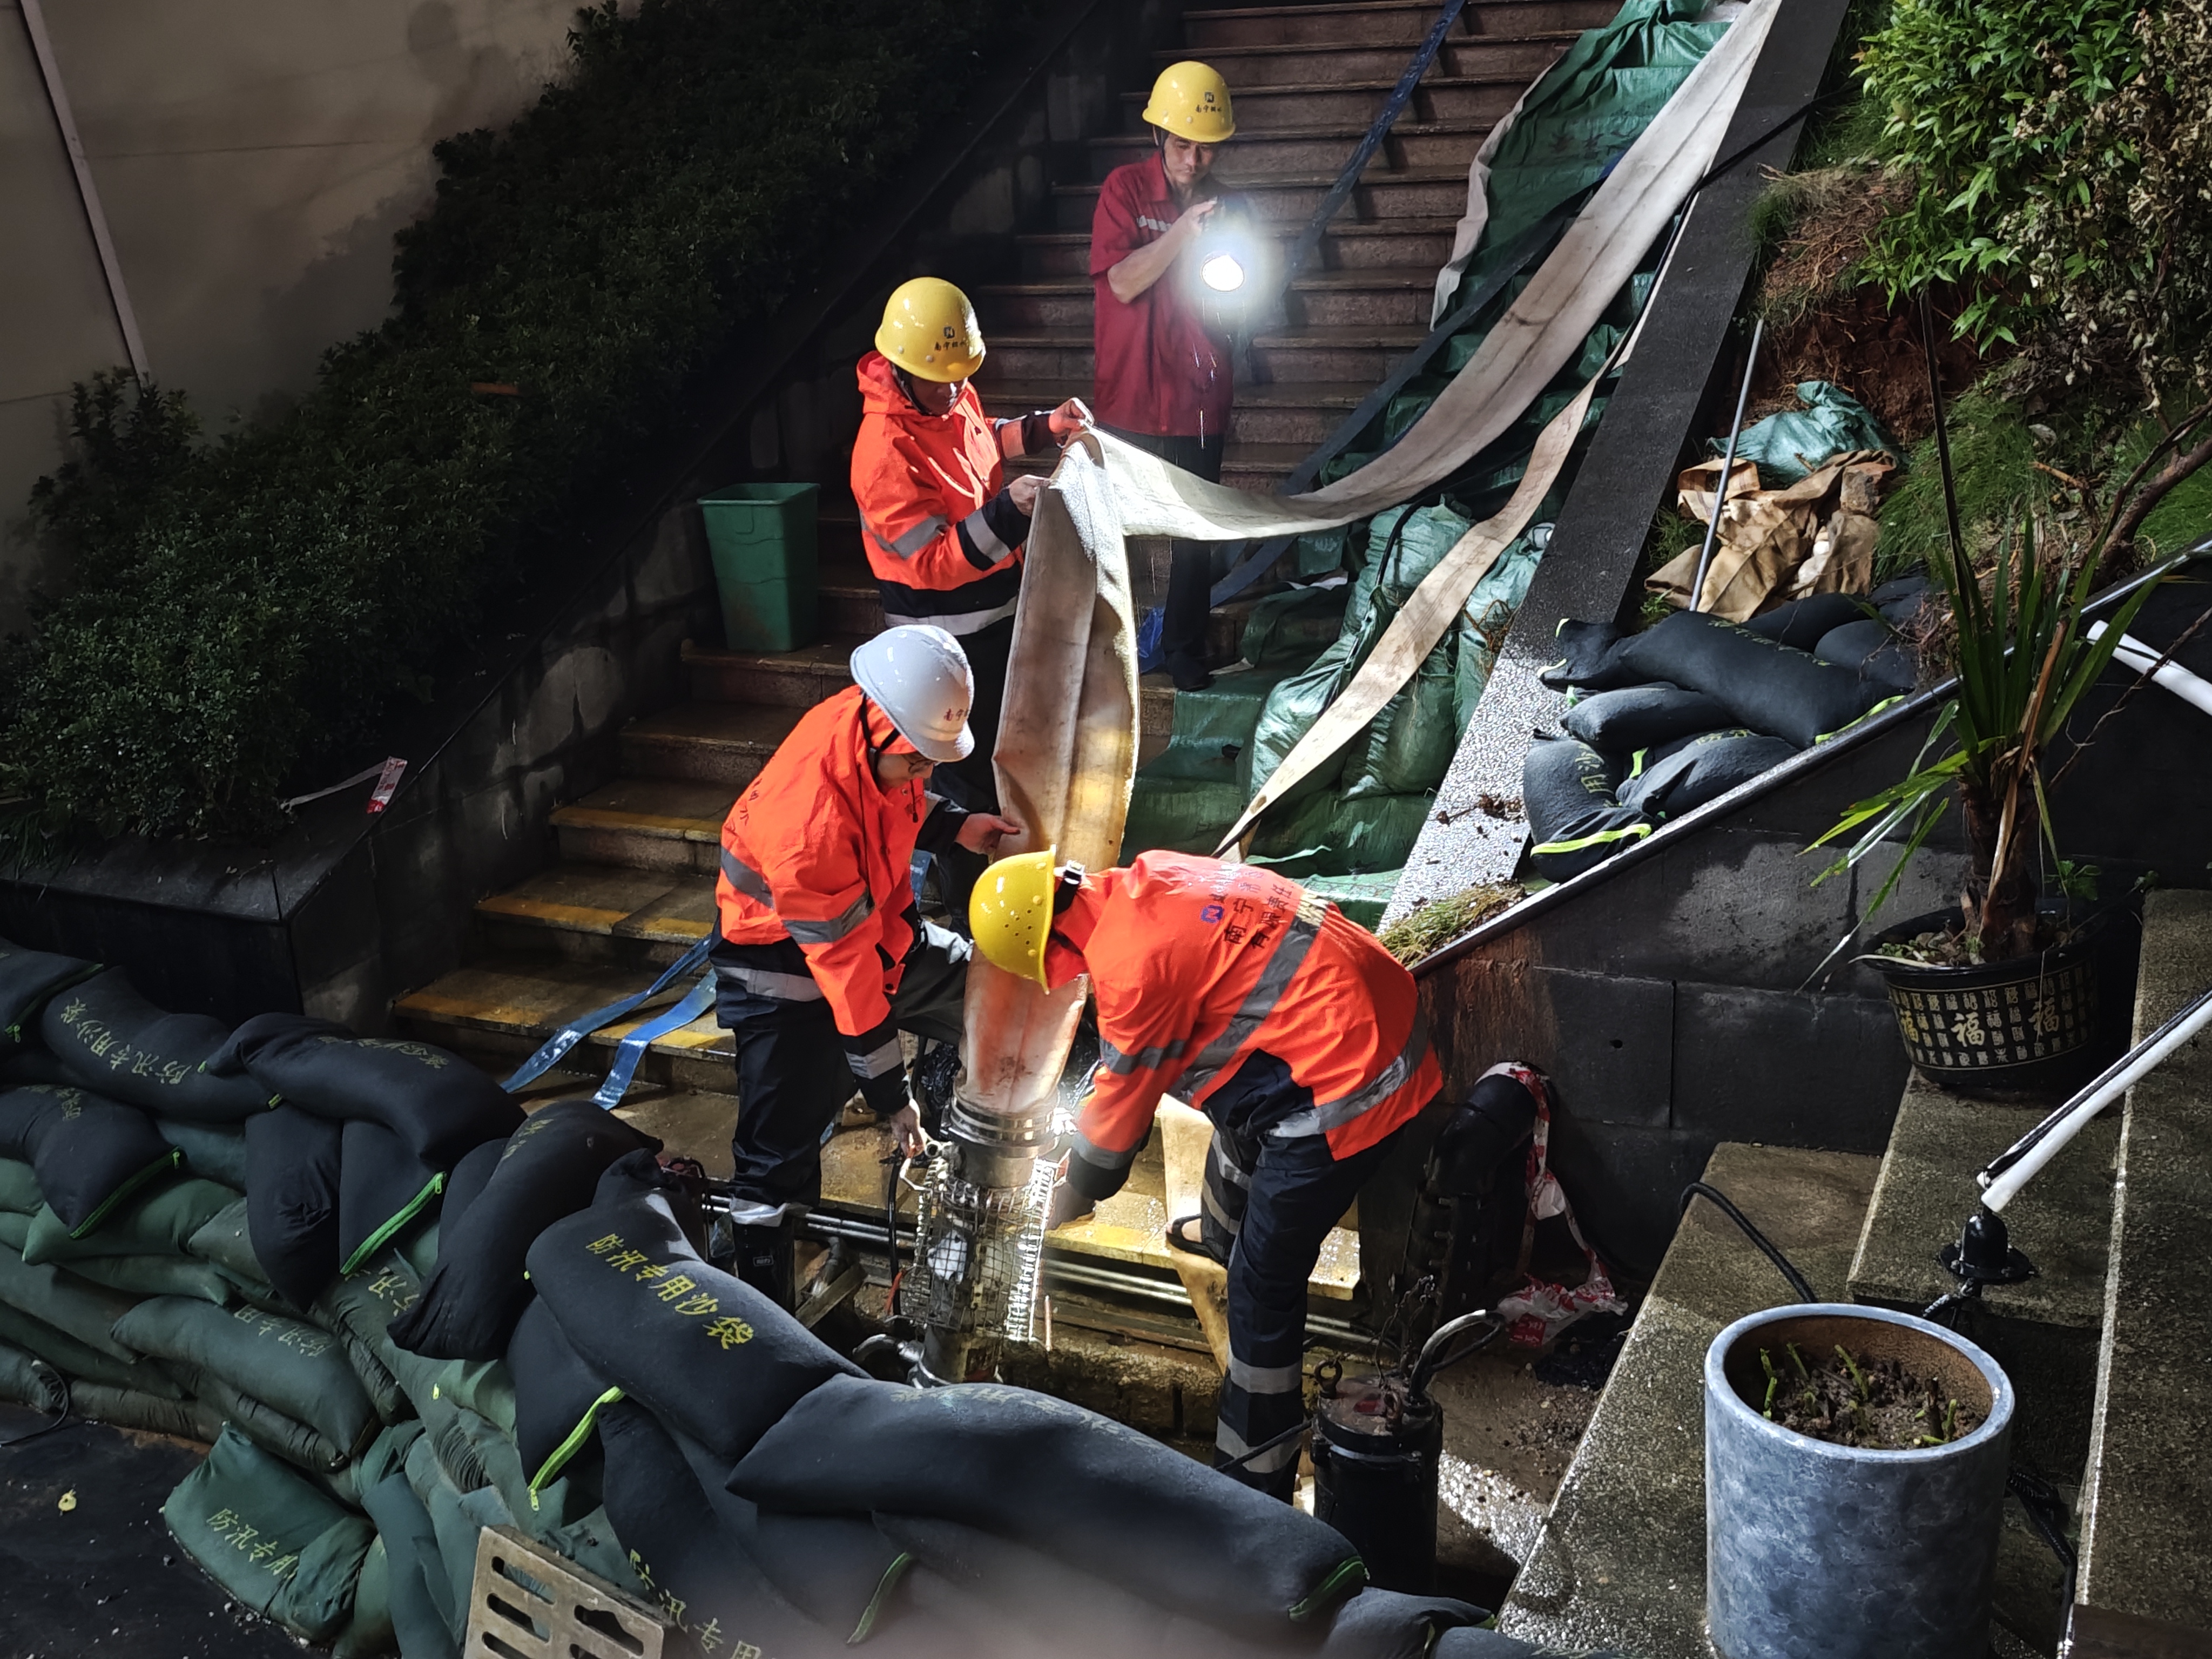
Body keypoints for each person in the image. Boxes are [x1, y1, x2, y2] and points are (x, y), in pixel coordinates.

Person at [968, 847, 1439, 1499]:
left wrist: (1072, 1192)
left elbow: (1118, 1116)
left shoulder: (1131, 973)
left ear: (1047, 952)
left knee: (1261, 1286)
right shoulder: (1150, 877)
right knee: (1229, 1119)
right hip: (1375, 1015)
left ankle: (1253, 1475)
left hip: (1351, 1085)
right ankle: (1221, 1238)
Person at [711, 625, 1021, 1304]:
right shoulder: (810, 827)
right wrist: (891, 1099)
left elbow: (892, 800)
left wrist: (954, 826)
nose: (926, 774)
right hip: (780, 967)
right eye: (919, 763)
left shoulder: (869, 719)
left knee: (994, 996)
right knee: (777, 1156)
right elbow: (848, 976)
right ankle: (763, 1309)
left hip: (873, 933)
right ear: (885, 733)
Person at [851, 276, 1089, 809]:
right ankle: (970, 862)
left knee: (1002, 760)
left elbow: (979, 439)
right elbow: (933, 563)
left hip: (992, 622)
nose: (954, 391)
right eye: (940, 381)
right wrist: (1008, 512)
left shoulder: (944, 393)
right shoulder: (884, 452)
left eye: (961, 376)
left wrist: (1044, 427)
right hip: (942, 643)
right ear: (901, 370)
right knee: (968, 781)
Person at [1090, 61, 1245, 692]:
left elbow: (1244, 293)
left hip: (1198, 395)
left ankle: (1183, 646)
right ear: (1158, 136)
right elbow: (1123, 282)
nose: (1193, 160)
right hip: (1129, 390)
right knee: (1115, 531)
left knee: (1196, 529)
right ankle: (1109, 647)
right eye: (1182, 144)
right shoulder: (1125, 190)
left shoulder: (1231, 208)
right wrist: (1183, 232)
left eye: (1206, 148)